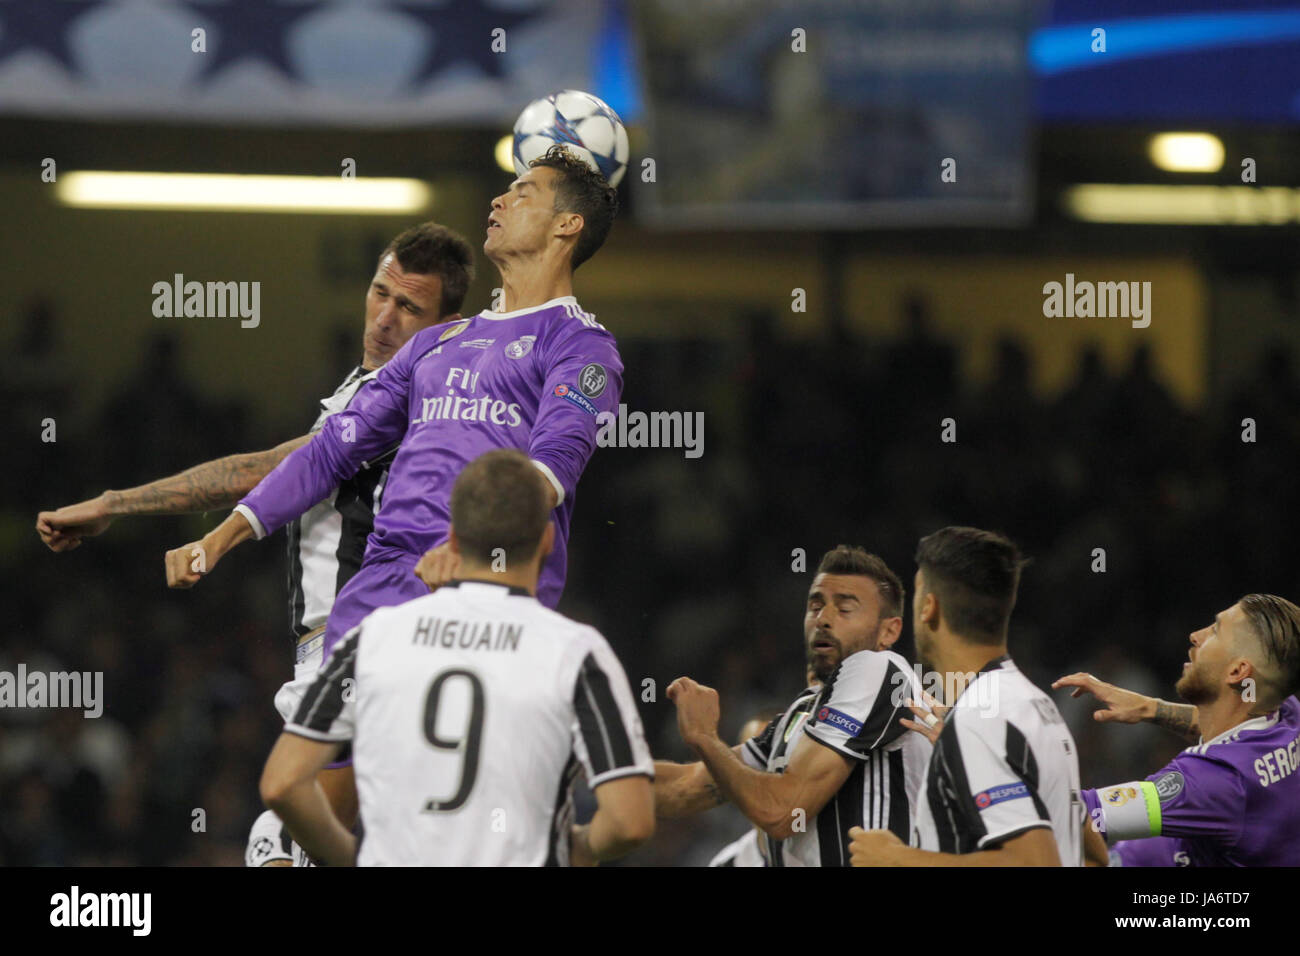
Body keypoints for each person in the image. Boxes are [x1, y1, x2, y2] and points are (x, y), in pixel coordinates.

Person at [35, 222, 475, 862]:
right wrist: (114, 504)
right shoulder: (370, 396)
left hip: (358, 643)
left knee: (283, 830)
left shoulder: (417, 396)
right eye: (380, 292)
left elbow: (257, 473)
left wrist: (130, 508)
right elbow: (270, 464)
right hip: (351, 650)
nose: (384, 317)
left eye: (408, 307)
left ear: (445, 322)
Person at [166, 146, 621, 675]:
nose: (498, 200)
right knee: (314, 758)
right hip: (379, 589)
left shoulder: (580, 344)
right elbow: (328, 452)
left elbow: (547, 473)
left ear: (567, 225)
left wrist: (465, 547)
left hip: (488, 589)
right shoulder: (437, 342)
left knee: (446, 758)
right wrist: (218, 539)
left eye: (523, 194)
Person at [259, 449, 654, 865]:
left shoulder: (375, 639)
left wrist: (356, 858)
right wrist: (576, 849)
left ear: (452, 537)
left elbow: (283, 784)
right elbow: (631, 822)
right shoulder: (574, 652)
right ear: (547, 540)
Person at [661, 546, 930, 866]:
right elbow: (684, 788)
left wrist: (704, 736)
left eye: (844, 609)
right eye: (815, 606)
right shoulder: (802, 710)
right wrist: (606, 775)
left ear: (889, 630)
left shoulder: (879, 668)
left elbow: (781, 811)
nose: (823, 618)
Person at [849, 527, 1082, 866]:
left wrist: (899, 858)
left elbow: (1036, 863)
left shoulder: (978, 721)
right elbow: (1095, 856)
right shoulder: (1036, 705)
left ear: (928, 607)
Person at [1055, 593, 1300, 866]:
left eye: (1215, 631)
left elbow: (1076, 814)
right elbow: (1234, 721)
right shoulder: (1287, 713)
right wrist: (1152, 708)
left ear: (1237, 671)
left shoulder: (1214, 781)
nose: (1196, 635)